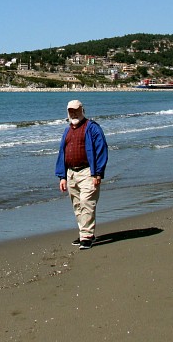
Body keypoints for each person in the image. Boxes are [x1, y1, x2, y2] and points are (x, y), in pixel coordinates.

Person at [55, 100, 108, 250]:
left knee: (87, 202)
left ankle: (87, 235)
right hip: (71, 173)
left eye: (76, 110)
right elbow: (62, 153)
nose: (74, 113)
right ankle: (84, 233)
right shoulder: (67, 130)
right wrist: (62, 177)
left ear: (82, 110)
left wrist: (97, 173)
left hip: (87, 172)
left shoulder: (92, 128)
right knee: (77, 205)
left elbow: (101, 149)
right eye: (71, 111)